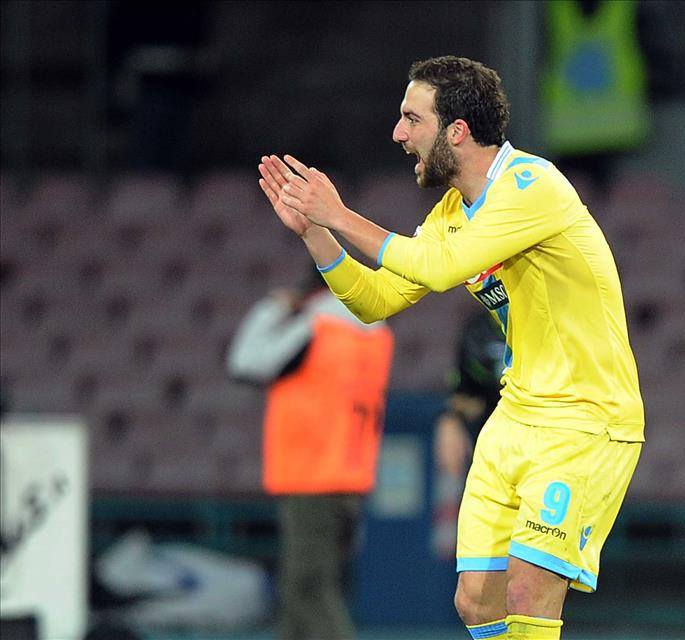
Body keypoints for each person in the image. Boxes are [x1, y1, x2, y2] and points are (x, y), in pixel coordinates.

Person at [257, 55, 645, 640]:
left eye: (412, 119)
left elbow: (439, 269)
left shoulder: (531, 185)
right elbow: (376, 300)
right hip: (515, 417)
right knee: (476, 601)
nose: (399, 134)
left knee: (528, 591)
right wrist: (317, 232)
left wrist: (340, 213)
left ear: (457, 131)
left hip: (584, 420)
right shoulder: (451, 214)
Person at [226, 266, 394, 640]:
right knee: (301, 591)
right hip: (350, 476)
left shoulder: (318, 325)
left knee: (308, 588)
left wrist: (273, 308)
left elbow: (244, 362)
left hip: (311, 478)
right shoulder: (377, 333)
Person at [433, 309, 507, 559]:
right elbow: (464, 394)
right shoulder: (479, 332)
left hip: (541, 443)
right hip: (492, 449)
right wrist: (450, 419)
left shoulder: (548, 320)